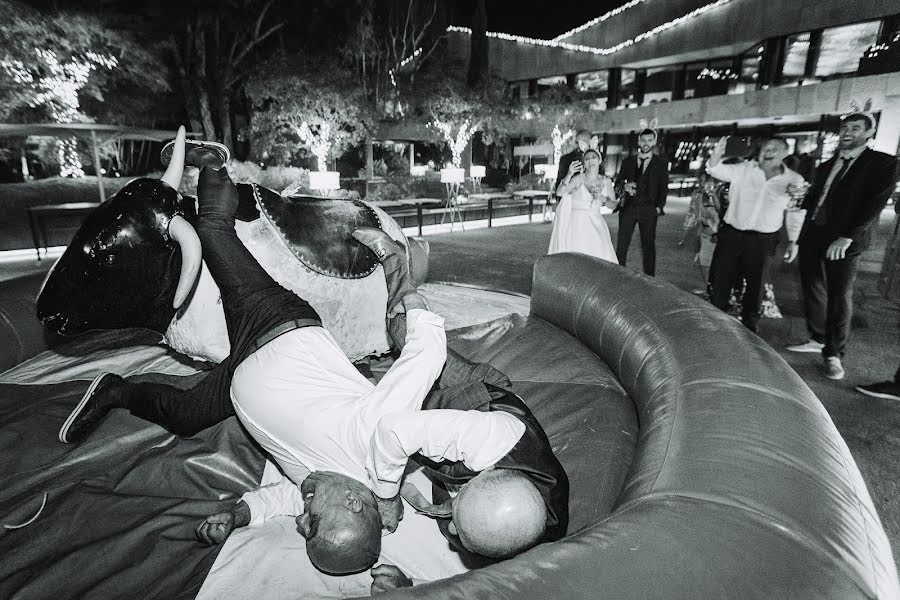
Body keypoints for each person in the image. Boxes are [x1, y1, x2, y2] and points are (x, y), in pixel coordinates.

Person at [60, 134, 568, 574]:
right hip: (278, 325)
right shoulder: (476, 443)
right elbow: (400, 422)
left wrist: (244, 514)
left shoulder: (341, 488)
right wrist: (392, 493)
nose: (449, 534)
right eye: (457, 525)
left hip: (248, 371)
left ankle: (116, 391)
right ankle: (218, 167)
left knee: (185, 413)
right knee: (396, 330)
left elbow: (302, 493)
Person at [786, 112, 899, 380]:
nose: (848, 132)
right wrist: (801, 199)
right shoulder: (827, 165)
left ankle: (834, 353)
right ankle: (818, 336)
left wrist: (848, 236)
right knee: (810, 284)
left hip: (845, 238)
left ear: (869, 133)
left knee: (840, 293)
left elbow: (876, 203)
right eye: (845, 127)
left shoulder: (882, 163)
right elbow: (817, 199)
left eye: (856, 128)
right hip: (814, 232)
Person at [705, 137, 805, 332]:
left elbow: (795, 212)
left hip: (763, 240)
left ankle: (749, 325)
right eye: (765, 147)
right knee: (721, 278)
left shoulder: (794, 180)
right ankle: (716, 322)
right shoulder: (743, 169)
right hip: (732, 234)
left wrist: (794, 240)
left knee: (756, 284)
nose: (767, 151)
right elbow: (715, 170)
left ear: (785, 153)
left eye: (774, 148)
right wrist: (717, 154)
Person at [614, 128, 670, 276]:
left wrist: (658, 207)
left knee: (648, 246)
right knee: (622, 244)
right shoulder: (627, 162)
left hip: (648, 209)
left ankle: (649, 279)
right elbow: (618, 183)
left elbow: (664, 187)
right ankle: (618, 275)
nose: (646, 143)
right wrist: (624, 186)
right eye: (643, 140)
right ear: (639, 141)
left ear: (654, 142)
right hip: (628, 208)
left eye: (650, 140)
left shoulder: (661, 164)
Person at [548, 148, 618, 263]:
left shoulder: (606, 181)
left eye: (594, 158)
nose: (590, 161)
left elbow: (613, 206)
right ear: (584, 163)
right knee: (577, 257)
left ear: (599, 161)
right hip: (577, 225)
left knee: (599, 257)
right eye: (587, 159)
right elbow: (560, 192)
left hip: (596, 223)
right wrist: (569, 174)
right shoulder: (578, 179)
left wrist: (601, 197)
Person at [553, 130, 592, 200]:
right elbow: (559, 188)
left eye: (586, 142)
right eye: (578, 142)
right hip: (570, 201)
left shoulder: (596, 160)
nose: (581, 146)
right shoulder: (566, 160)